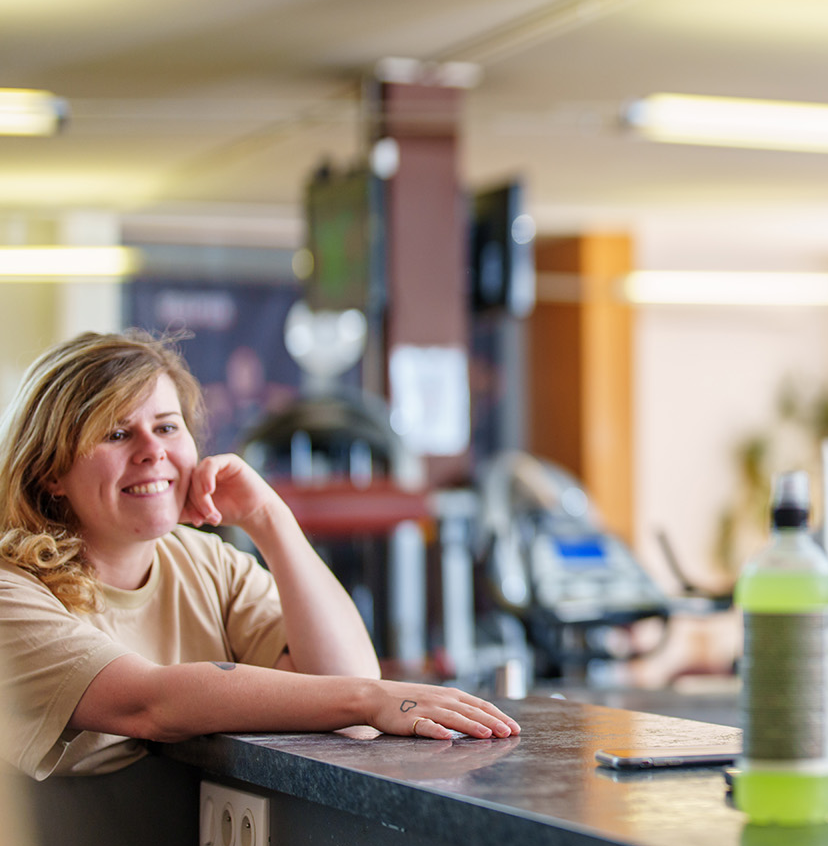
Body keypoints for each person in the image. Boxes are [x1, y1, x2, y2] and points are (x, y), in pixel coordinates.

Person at [0, 331, 519, 781]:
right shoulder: (11, 592)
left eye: (166, 427)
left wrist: (270, 519)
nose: (152, 451)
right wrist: (373, 698)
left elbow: (341, 676)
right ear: (51, 470)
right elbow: (149, 703)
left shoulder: (207, 563)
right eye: (116, 433)